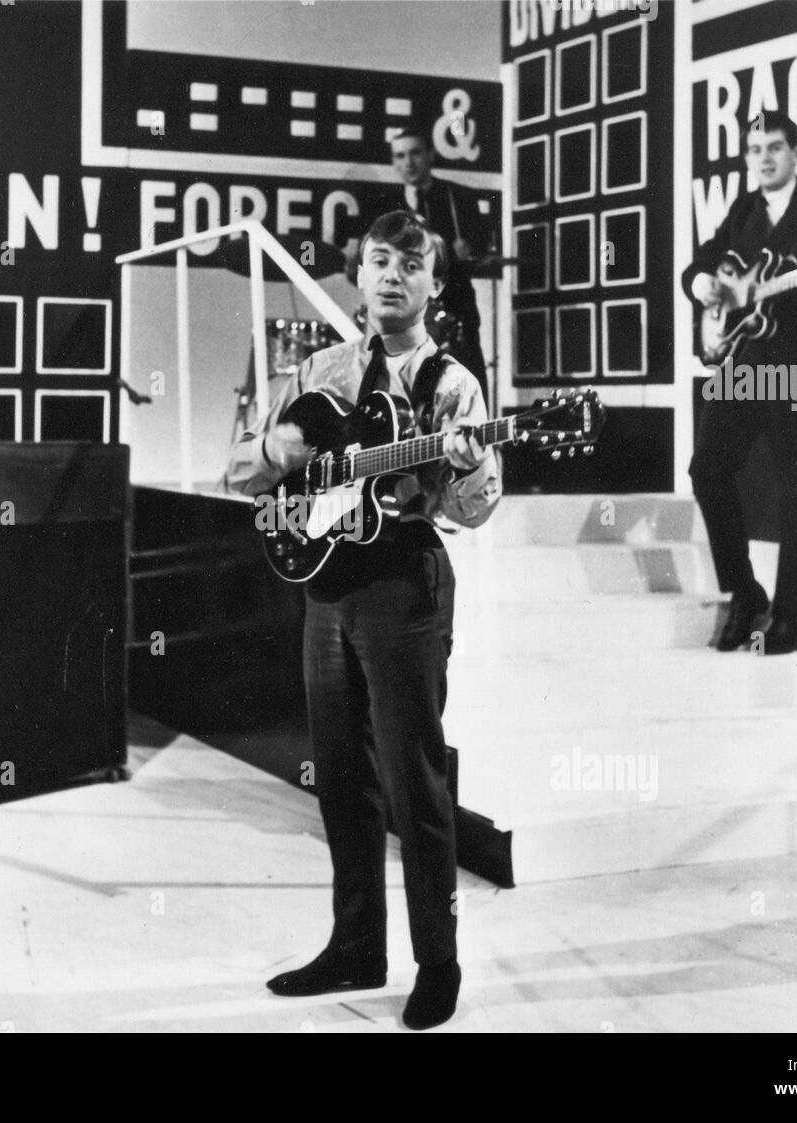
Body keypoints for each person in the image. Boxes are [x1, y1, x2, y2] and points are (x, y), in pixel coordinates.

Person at [226, 210, 501, 1030]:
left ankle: (438, 962)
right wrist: (283, 452)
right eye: (379, 260)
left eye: (411, 264)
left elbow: (477, 509)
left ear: (434, 284)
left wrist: (469, 460)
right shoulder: (321, 368)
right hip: (325, 587)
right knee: (340, 775)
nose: (392, 275)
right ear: (360, 273)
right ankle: (355, 945)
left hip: (403, 588)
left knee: (413, 778)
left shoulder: (452, 385)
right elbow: (241, 469)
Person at [683, 110, 797, 655]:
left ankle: (790, 618)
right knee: (707, 467)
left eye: (775, 147)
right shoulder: (743, 212)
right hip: (745, 363)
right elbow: (699, 268)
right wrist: (707, 285)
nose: (763, 157)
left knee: (796, 484)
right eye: (754, 148)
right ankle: (745, 592)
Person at [383, 128, 492, 400]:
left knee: (468, 383)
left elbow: (481, 251)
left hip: (455, 307)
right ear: (394, 162)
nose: (409, 162)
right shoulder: (385, 204)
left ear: (430, 155)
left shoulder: (459, 198)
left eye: (416, 153)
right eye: (401, 155)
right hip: (406, 311)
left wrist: (469, 250)